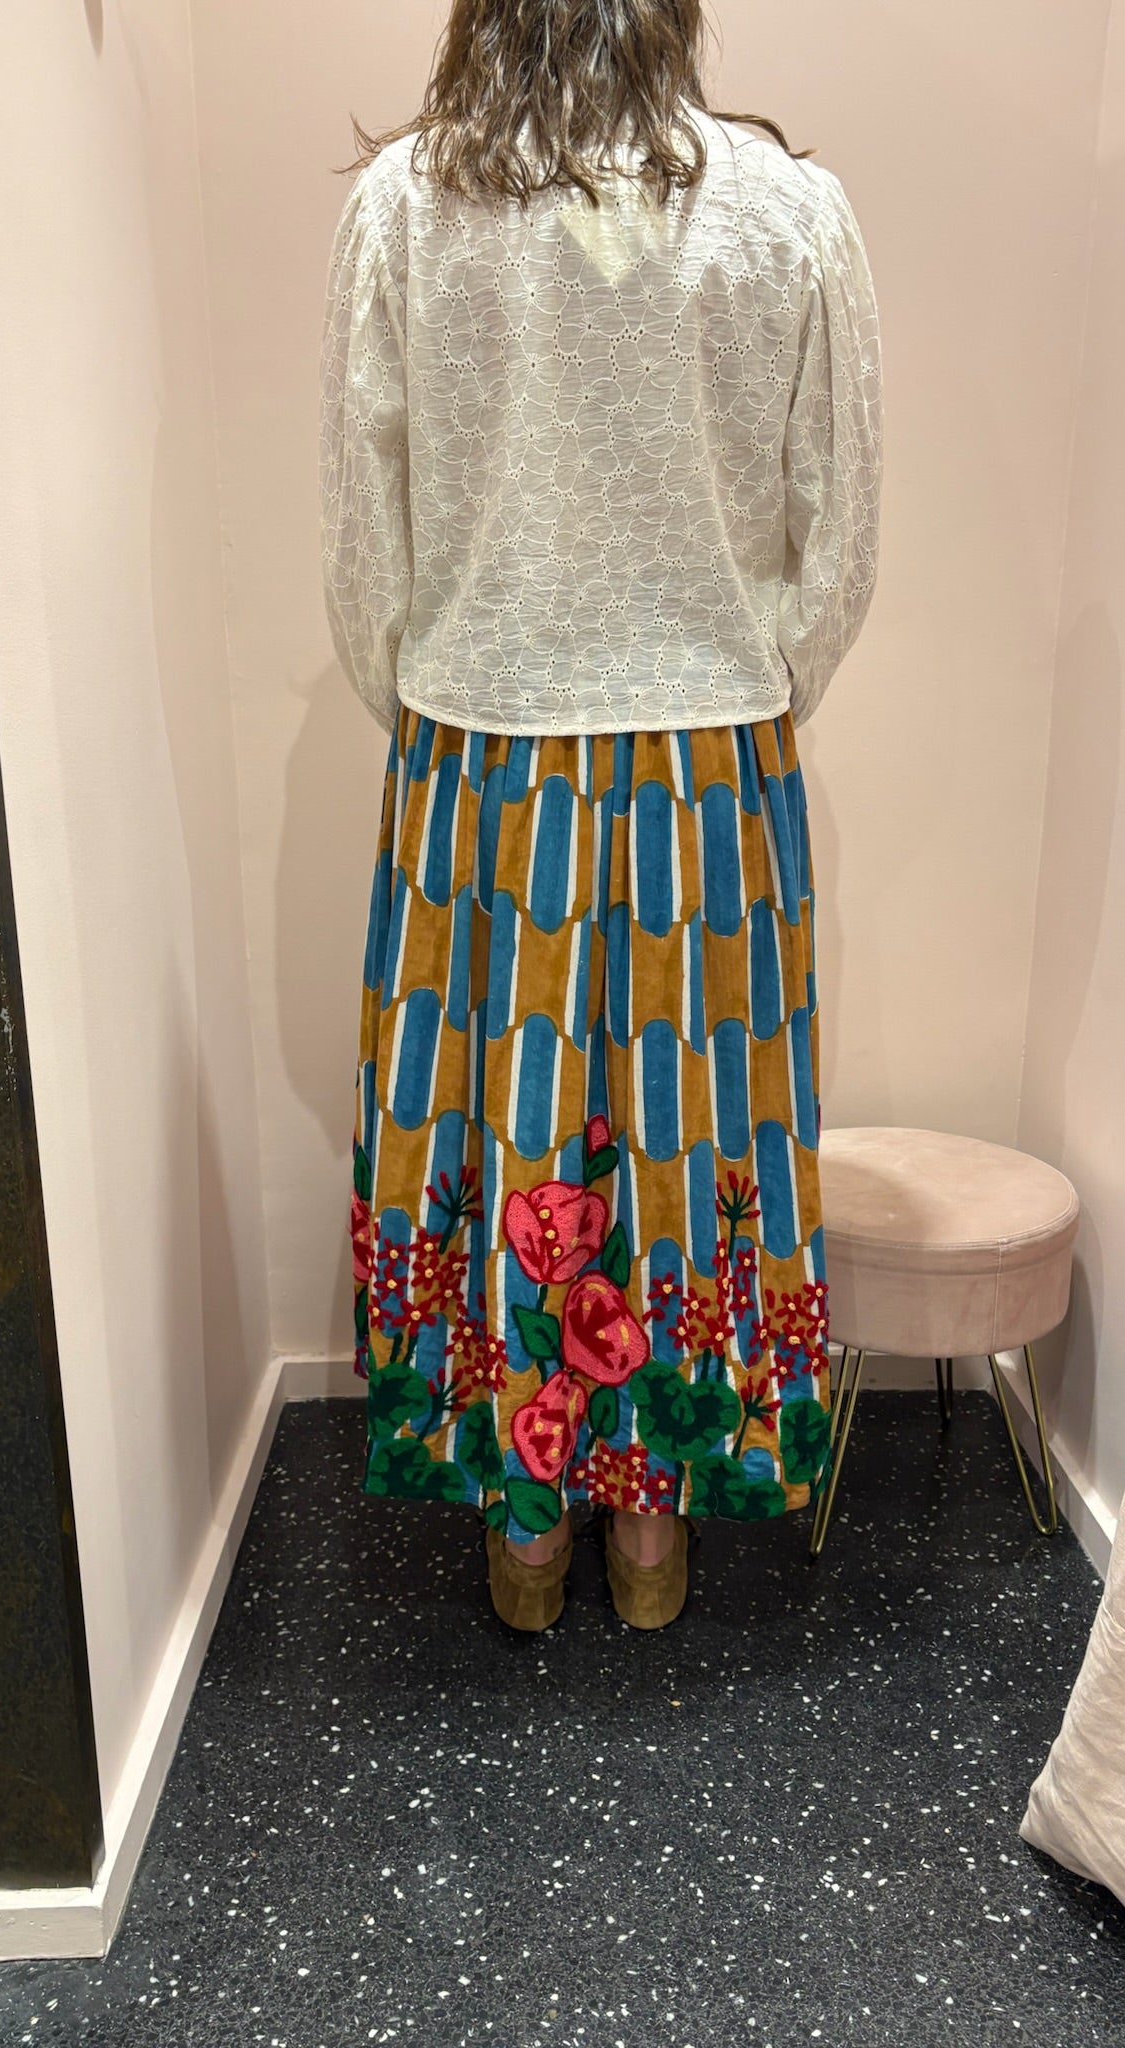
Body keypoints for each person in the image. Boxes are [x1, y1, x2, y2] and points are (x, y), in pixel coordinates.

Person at [320, 0, 882, 1634]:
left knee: (507, 1133)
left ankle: (528, 1518)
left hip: (481, 761)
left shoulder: (405, 207)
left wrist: (438, 700)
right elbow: (840, 539)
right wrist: (747, 689)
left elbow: (366, 543)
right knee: (693, 1138)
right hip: (711, 760)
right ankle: (653, 1528)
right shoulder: (793, 212)